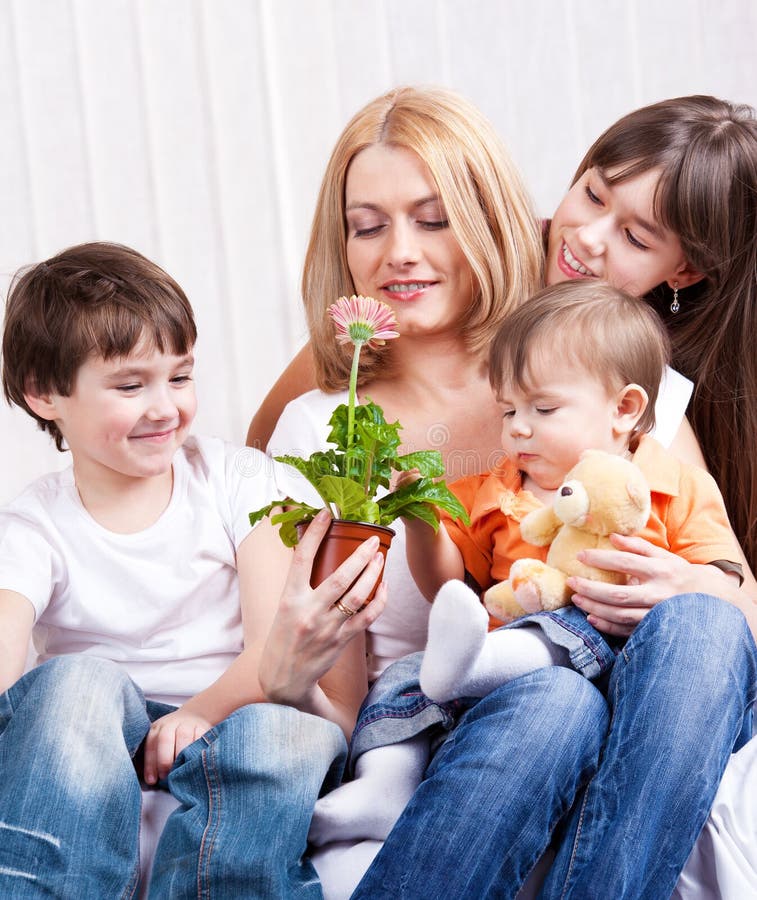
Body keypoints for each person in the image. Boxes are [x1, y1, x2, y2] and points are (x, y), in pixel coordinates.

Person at [252, 86, 757, 899]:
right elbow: (272, 455)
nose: (586, 240)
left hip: (652, 683)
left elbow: (730, 589)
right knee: (550, 698)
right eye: (590, 193)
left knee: (700, 623)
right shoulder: (342, 396)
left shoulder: (628, 382)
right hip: (511, 691)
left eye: (633, 236)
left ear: (682, 271)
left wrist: (697, 583)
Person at [0, 241, 388, 897]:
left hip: (239, 709)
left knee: (282, 733)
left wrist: (199, 713)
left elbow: (275, 649)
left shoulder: (240, 479)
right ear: (45, 395)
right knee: (74, 683)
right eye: (130, 385)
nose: (164, 407)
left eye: (179, 377)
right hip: (103, 741)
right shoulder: (35, 524)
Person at [307, 280, 745, 856]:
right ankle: (384, 784)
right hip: (506, 690)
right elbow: (449, 585)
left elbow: (724, 581)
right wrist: (419, 521)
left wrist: (685, 584)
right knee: (405, 675)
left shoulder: (675, 486)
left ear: (624, 409)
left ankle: (483, 663)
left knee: (580, 623)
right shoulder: (491, 492)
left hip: (622, 679)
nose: (517, 426)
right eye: (508, 409)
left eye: (543, 408)